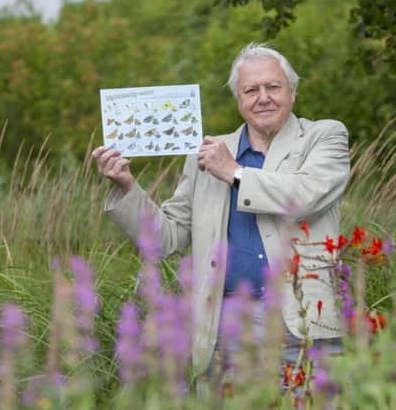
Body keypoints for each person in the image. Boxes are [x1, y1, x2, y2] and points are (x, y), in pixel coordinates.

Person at [92, 42, 350, 391]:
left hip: (300, 323)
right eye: (251, 90)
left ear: (292, 91)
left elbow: (307, 196)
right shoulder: (207, 156)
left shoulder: (325, 136)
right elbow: (166, 238)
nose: (263, 97)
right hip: (223, 328)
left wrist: (234, 172)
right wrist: (126, 187)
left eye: (273, 87)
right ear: (238, 99)